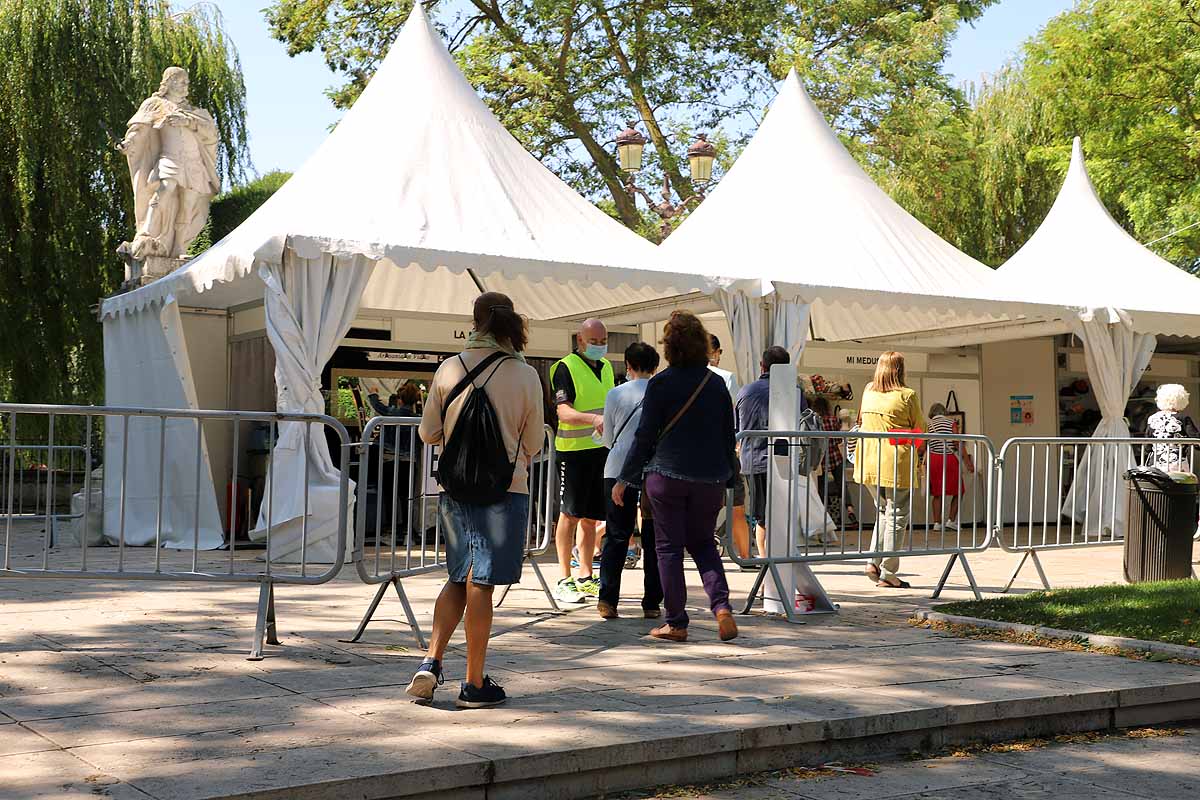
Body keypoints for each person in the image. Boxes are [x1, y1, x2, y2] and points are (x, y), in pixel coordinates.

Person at [407, 292, 544, 709]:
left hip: (456, 489)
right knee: (480, 582)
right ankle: (473, 683)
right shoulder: (525, 375)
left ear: (475, 321)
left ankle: (430, 662)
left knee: (458, 576)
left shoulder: (449, 368)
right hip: (505, 490)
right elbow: (535, 441)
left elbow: (427, 433)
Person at [615, 311, 739, 643]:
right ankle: (722, 607)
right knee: (703, 544)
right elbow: (729, 435)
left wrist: (625, 479)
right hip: (709, 478)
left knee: (668, 548)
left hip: (667, 475)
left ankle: (676, 622)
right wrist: (732, 476)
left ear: (669, 347)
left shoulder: (661, 383)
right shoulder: (716, 384)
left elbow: (645, 436)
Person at [550, 319, 615, 604]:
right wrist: (594, 419)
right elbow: (563, 412)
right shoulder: (565, 367)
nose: (599, 346)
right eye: (594, 341)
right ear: (580, 339)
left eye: (603, 342)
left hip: (601, 450)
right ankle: (565, 578)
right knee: (570, 514)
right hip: (573, 452)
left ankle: (586, 575)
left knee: (591, 518)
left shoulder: (608, 367)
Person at [597, 343, 664, 620]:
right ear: (655, 366)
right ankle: (651, 602)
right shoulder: (663, 393)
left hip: (617, 468)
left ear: (628, 365)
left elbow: (608, 438)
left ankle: (608, 600)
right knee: (654, 537)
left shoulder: (616, 393)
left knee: (616, 535)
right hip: (654, 470)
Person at [853, 352, 925, 589]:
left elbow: (862, 420)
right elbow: (920, 430)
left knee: (883, 512)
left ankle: (873, 562)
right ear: (901, 370)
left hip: (869, 462)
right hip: (896, 463)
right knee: (897, 516)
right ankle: (888, 572)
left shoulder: (868, 391)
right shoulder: (907, 395)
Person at [735, 346, 794, 559]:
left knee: (762, 516)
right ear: (787, 368)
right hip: (783, 460)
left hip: (752, 460)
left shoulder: (746, 391)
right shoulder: (793, 391)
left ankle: (764, 559)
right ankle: (775, 560)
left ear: (762, 365)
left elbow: (737, 427)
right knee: (780, 515)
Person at [709, 334, 752, 561]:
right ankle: (744, 556)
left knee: (702, 506)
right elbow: (736, 412)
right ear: (714, 352)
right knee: (736, 506)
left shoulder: (677, 377)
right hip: (723, 450)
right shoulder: (725, 377)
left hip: (693, 452)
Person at [926, 403, 973, 531]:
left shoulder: (928, 425)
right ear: (944, 412)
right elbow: (957, 443)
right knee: (959, 490)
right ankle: (951, 520)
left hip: (934, 459)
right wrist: (967, 462)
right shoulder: (950, 423)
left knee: (937, 493)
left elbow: (924, 446)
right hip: (949, 459)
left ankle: (937, 523)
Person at [1144, 384, 1200, 472]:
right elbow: (1196, 439)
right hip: (1177, 464)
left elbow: (1147, 446)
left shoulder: (1152, 418)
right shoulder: (1183, 418)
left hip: (1156, 464)